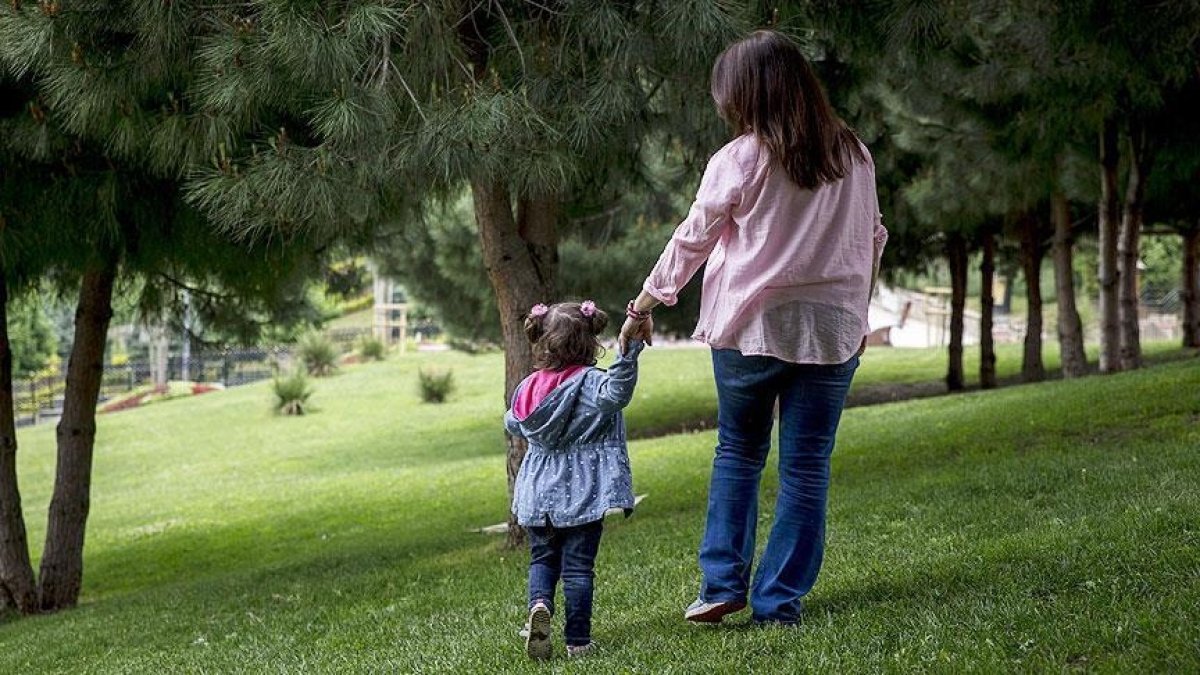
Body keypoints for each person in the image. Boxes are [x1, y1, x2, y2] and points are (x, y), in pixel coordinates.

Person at [619, 30, 888, 626]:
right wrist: (857, 312)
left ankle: (721, 585)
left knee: (739, 452)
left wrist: (646, 302)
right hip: (832, 330)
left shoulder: (740, 158)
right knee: (807, 464)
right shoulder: (856, 154)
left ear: (746, 95)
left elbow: (695, 236)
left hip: (752, 328)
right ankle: (778, 601)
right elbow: (873, 239)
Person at [506, 300, 642, 659]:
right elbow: (618, 394)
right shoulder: (593, 383)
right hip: (582, 493)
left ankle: (539, 605)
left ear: (543, 342)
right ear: (589, 342)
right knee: (579, 568)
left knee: (542, 560)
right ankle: (578, 641)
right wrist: (628, 355)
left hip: (537, 492)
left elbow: (512, 422)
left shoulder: (528, 387)